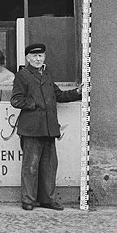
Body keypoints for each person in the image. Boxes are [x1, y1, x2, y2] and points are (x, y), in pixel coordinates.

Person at [10, 42, 82, 211]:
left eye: (40, 56)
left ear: (44, 58)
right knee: (31, 166)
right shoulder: (23, 75)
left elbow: (58, 95)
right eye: (34, 56)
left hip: (49, 128)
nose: (37, 59)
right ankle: (28, 200)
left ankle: (47, 200)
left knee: (49, 166)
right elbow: (16, 100)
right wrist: (35, 103)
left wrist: (77, 92)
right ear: (28, 58)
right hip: (32, 129)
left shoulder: (47, 74)